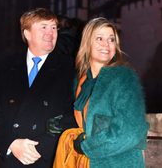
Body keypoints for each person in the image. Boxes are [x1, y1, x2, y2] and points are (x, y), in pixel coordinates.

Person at [0, 8, 77, 168]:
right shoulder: (6, 66)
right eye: (43, 27)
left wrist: (41, 147)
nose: (51, 33)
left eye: (54, 27)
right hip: (11, 159)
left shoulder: (70, 68)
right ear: (27, 34)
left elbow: (74, 113)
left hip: (49, 159)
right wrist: (10, 143)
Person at [54, 17, 149, 168]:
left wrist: (86, 146)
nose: (106, 44)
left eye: (111, 39)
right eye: (99, 38)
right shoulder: (81, 81)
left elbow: (130, 132)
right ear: (87, 43)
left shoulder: (124, 77)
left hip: (119, 163)